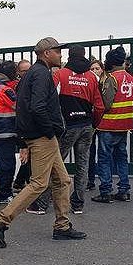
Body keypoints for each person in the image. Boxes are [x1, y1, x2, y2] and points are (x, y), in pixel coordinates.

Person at [0, 37, 87, 248]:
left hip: (39, 136)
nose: (61, 54)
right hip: (43, 137)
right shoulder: (41, 74)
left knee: (63, 181)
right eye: (58, 51)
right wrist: (50, 131)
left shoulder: (33, 74)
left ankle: (62, 226)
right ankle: (0, 221)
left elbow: (25, 107)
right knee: (39, 183)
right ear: (46, 53)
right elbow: (37, 107)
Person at [32, 45, 105, 215]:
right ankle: (78, 204)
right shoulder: (92, 77)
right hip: (86, 126)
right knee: (83, 165)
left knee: (54, 164)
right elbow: (100, 107)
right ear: (84, 55)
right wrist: (93, 123)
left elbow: (51, 100)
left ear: (69, 56)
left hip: (67, 127)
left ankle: (42, 204)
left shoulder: (60, 74)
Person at [92, 46, 133, 204]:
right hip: (125, 124)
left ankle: (105, 191)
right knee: (121, 157)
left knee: (104, 158)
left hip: (109, 123)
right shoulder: (130, 77)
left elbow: (107, 103)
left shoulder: (111, 78)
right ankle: (124, 190)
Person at [0, 61, 20, 204]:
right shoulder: (4, 89)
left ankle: (5, 191)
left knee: (4, 162)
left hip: (0, 131)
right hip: (6, 131)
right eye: (15, 72)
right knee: (7, 164)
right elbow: (17, 106)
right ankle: (4, 194)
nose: (17, 75)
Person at [11, 59, 33, 191]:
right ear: (18, 72)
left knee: (30, 158)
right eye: (24, 71)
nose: (27, 73)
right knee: (28, 157)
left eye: (29, 70)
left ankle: (19, 182)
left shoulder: (33, 84)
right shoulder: (18, 87)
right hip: (24, 127)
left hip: (31, 127)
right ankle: (23, 183)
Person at [86, 60, 106, 191]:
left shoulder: (107, 83)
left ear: (102, 70)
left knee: (104, 152)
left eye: (97, 68)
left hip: (105, 122)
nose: (94, 71)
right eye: (92, 69)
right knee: (90, 151)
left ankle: (105, 183)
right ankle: (90, 180)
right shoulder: (88, 82)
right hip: (92, 121)